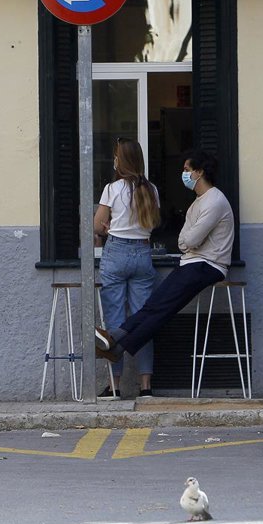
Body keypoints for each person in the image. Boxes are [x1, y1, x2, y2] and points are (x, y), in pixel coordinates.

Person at [95, 149, 234, 367]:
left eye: (187, 169)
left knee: (162, 307)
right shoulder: (199, 202)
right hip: (193, 263)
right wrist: (187, 242)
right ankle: (116, 342)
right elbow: (183, 240)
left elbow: (190, 240)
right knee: (155, 304)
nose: (184, 174)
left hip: (207, 265)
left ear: (199, 172)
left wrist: (188, 242)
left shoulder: (214, 201)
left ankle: (116, 342)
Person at [94, 138, 161, 398]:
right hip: (143, 252)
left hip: (116, 252)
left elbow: (98, 225)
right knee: (143, 320)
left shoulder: (112, 189)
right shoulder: (151, 189)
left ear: (120, 161)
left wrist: (108, 227)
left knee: (114, 321)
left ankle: (115, 386)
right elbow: (153, 223)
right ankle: (146, 386)